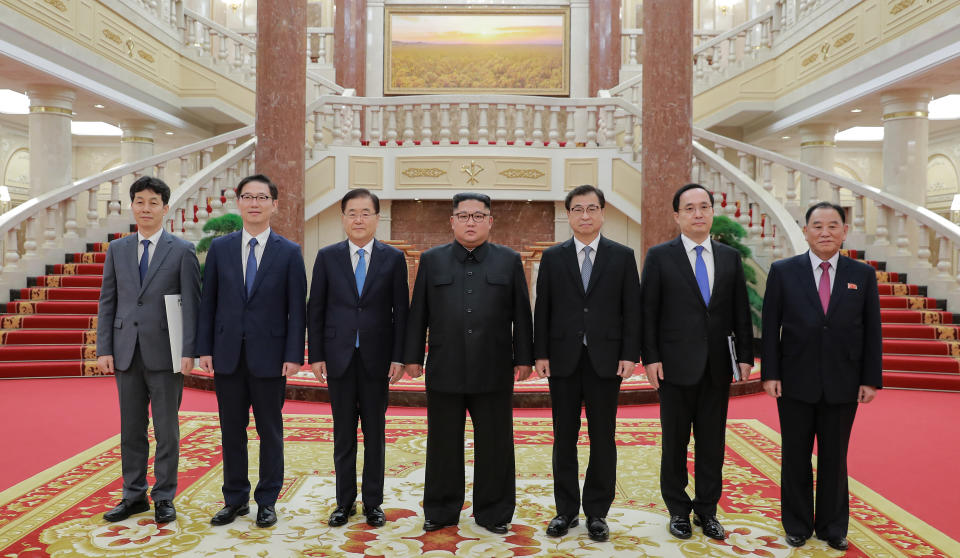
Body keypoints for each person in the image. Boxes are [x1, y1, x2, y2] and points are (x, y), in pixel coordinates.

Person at [403, 192, 534, 535]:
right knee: (443, 443)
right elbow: (419, 312)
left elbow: (522, 314)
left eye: (478, 216)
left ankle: (494, 511)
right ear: (452, 221)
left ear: (490, 221)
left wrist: (524, 358)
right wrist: (414, 357)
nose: (471, 222)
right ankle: (441, 509)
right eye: (464, 216)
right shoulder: (432, 260)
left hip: (494, 368)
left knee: (495, 443)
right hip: (445, 366)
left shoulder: (508, 260)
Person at [761, 201, 881, 551]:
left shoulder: (862, 275)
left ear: (845, 231)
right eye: (817, 226)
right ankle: (796, 524)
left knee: (834, 457)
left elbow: (872, 330)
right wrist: (770, 373)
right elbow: (770, 328)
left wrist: (870, 378)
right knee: (795, 455)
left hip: (844, 381)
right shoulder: (784, 271)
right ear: (806, 231)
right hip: (794, 380)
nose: (825, 232)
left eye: (833, 226)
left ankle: (833, 527)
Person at [640, 183, 754, 541]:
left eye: (704, 206)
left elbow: (740, 311)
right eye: (689, 208)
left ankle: (707, 510)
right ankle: (677, 510)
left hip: (717, 366)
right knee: (674, 443)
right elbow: (649, 313)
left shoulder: (729, 257)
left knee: (711, 443)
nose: (698, 214)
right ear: (677, 215)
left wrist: (747, 358)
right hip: (673, 366)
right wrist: (651, 358)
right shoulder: (660, 256)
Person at [197, 174, 307, 528]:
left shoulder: (289, 252)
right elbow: (208, 302)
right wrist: (204, 348)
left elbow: (297, 309)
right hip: (227, 354)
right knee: (231, 431)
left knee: (270, 432)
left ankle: (268, 500)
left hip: (271, 358)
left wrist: (293, 355)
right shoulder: (221, 249)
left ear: (274, 204)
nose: (255, 203)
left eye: (262, 197)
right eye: (248, 196)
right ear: (239, 203)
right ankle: (235, 499)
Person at [533, 185, 640, 542]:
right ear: (569, 215)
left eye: (591, 208)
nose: (584, 215)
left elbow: (631, 311)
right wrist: (541, 353)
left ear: (602, 213)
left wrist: (629, 354)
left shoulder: (622, 256)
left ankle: (597, 512)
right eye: (577, 209)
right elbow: (542, 309)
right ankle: (565, 510)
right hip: (562, 360)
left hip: (607, 361)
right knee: (564, 437)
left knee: (602, 437)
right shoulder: (553, 257)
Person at [96, 176, 201, 524]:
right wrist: (104, 348)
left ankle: (165, 495)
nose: (145, 208)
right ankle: (133, 494)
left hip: (167, 352)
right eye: (139, 201)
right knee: (131, 428)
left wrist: (190, 351)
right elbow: (108, 301)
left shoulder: (182, 250)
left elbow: (192, 306)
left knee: (167, 428)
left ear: (165, 208)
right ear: (132, 206)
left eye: (153, 202)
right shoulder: (118, 249)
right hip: (126, 350)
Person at [307, 188, 409, 528]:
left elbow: (401, 312)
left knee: (375, 434)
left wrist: (399, 356)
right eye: (352, 213)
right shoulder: (327, 256)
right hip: (337, 358)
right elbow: (316, 309)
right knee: (343, 434)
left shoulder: (393, 258)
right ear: (343, 218)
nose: (359, 219)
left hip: (377, 360)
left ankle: (373, 503)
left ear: (377, 218)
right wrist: (316, 354)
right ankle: (344, 502)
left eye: (366, 213)